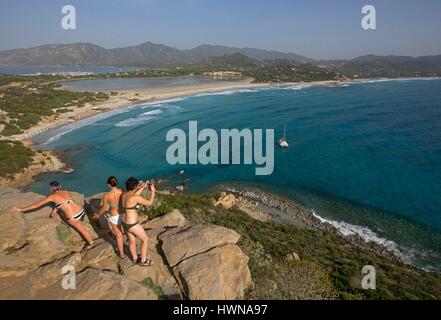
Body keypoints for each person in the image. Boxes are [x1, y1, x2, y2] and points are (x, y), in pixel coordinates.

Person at [14, 181, 95, 249]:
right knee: (76, 220)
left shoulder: (52, 196)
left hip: (72, 217)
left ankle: (91, 244)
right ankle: (84, 224)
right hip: (81, 211)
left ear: (51, 188)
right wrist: (56, 208)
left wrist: (21, 209)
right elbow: (66, 201)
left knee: (82, 230)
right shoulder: (66, 191)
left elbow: (36, 205)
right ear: (60, 186)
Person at [121, 177, 156, 266]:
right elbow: (150, 203)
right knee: (145, 239)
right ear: (135, 186)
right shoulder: (135, 197)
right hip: (132, 224)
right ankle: (143, 261)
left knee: (132, 241)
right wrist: (153, 191)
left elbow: (133, 195)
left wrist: (143, 187)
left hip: (124, 222)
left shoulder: (124, 194)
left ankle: (135, 258)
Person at [92, 176, 125, 259]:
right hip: (123, 213)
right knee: (123, 231)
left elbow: (103, 208)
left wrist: (98, 215)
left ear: (109, 185)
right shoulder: (122, 191)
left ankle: (121, 253)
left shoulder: (107, 195)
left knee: (118, 235)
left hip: (114, 215)